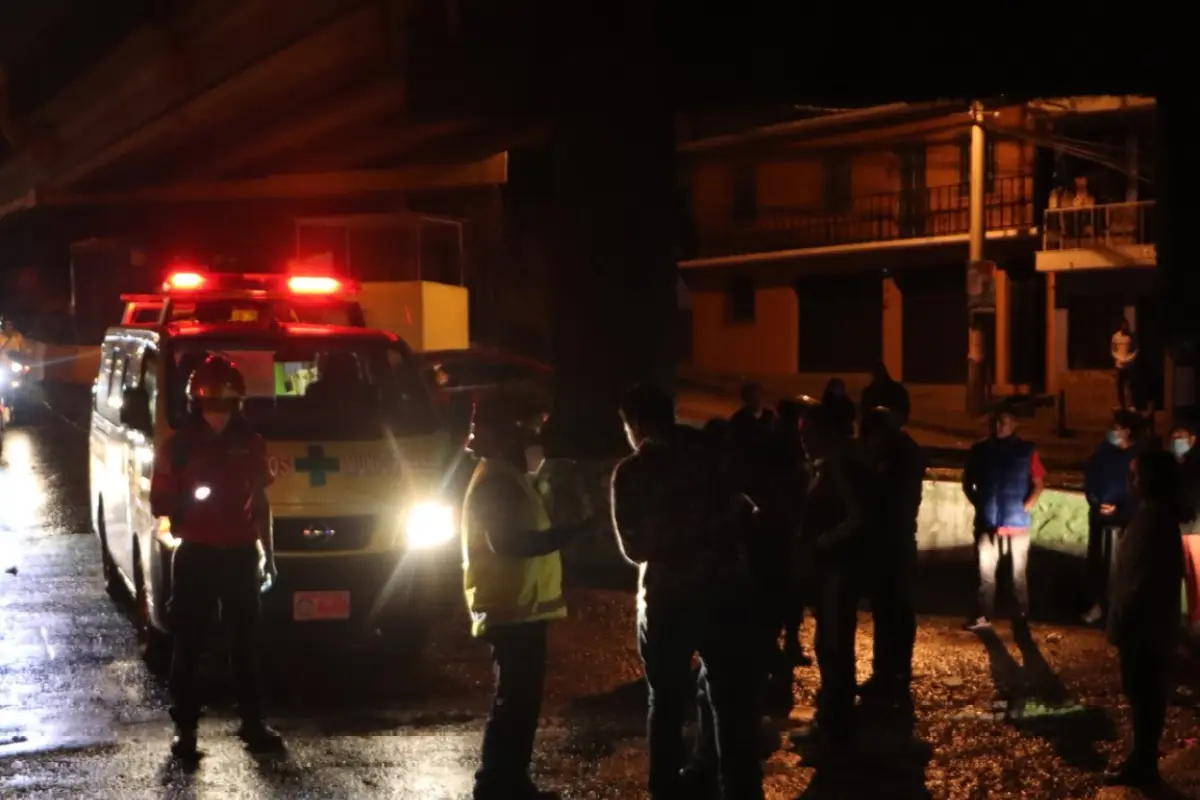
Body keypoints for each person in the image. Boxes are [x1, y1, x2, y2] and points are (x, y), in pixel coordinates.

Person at [612, 383, 764, 800]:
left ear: (636, 424)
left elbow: (635, 548)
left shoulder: (632, 472)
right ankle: (738, 787)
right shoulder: (714, 453)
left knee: (665, 702)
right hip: (726, 591)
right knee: (730, 700)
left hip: (669, 599)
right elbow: (754, 502)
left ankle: (665, 789)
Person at [148, 354, 282, 759]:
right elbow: (159, 502)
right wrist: (184, 502)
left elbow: (260, 501)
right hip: (197, 555)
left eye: (226, 404)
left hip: (240, 554)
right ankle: (186, 731)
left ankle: (253, 722)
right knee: (188, 644)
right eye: (212, 403)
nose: (218, 413)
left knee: (245, 643)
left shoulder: (251, 442)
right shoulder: (180, 447)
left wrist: (268, 554)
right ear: (197, 403)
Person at [461, 395, 593, 800]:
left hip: (519, 608)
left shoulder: (507, 475)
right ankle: (497, 784)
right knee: (514, 704)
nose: (532, 437)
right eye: (525, 430)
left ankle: (509, 781)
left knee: (518, 703)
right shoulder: (498, 479)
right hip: (511, 609)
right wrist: (564, 537)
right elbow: (508, 543)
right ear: (506, 434)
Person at [797, 404, 880, 747]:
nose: (803, 440)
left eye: (808, 433)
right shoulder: (830, 465)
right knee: (832, 642)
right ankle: (833, 719)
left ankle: (834, 723)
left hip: (836, 571)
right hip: (832, 569)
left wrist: (819, 542)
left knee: (832, 644)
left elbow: (856, 515)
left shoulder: (837, 467)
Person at [1106, 450, 1186, 788]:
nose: (1130, 481)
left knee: (1145, 695)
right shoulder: (1155, 516)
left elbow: (1140, 581)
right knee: (1145, 695)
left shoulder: (1153, 521)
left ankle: (1143, 763)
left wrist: (1122, 623)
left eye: (1135, 474)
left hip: (1144, 629)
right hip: (1148, 626)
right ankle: (1143, 759)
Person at [857, 406, 924, 711]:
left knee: (893, 610)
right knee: (889, 611)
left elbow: (886, 500)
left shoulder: (899, 459)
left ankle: (893, 674)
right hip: (893, 543)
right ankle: (889, 673)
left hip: (892, 544)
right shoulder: (903, 454)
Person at [961, 407, 1046, 630]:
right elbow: (967, 482)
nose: (999, 426)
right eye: (996, 421)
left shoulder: (1027, 451)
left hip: (1016, 524)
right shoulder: (980, 450)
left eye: (1004, 422)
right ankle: (984, 615)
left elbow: (1038, 483)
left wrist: (1024, 507)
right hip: (988, 522)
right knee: (985, 573)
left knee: (1018, 575)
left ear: (1014, 424)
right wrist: (980, 503)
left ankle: (1021, 613)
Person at [1082, 410, 1140, 624]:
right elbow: (1090, 478)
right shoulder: (1102, 452)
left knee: (1123, 566)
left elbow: (1138, 488)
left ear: (1128, 431)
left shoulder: (1137, 456)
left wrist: (1120, 509)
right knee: (1097, 562)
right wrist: (1096, 501)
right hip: (1099, 517)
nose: (1112, 432)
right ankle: (1097, 604)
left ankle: (1119, 610)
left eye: (1116, 428)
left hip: (1125, 520)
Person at [1171, 418, 1200, 633]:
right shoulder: (1173, 463)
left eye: (1180, 438)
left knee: (1197, 576)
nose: (1176, 442)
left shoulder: (1194, 464)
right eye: (1174, 438)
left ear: (1193, 439)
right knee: (1186, 574)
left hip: (1195, 526)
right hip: (1179, 525)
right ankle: (1191, 617)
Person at [860, 362, 911, 426]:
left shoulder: (897, 390)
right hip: (874, 427)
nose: (877, 374)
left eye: (879, 371)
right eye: (876, 372)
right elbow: (863, 411)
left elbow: (903, 409)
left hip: (892, 425)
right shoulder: (868, 392)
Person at [1111, 318, 1139, 409]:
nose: (1125, 328)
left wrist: (1129, 358)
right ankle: (1121, 404)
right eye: (1123, 326)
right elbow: (1113, 350)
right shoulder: (1115, 336)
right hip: (1119, 365)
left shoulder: (1131, 337)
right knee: (1120, 386)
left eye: (1126, 326)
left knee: (1129, 386)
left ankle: (1130, 404)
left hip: (1129, 365)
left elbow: (1135, 350)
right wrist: (1119, 358)